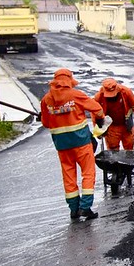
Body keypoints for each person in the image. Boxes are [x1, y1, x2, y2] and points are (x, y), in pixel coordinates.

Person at [40, 68, 106, 221]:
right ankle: (85, 207)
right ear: (69, 81)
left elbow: (45, 123)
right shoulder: (75, 95)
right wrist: (101, 120)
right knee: (88, 173)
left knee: (68, 175)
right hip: (81, 141)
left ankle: (73, 209)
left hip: (62, 145)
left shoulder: (46, 99)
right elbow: (97, 108)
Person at [92, 78, 134, 151]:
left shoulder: (126, 92)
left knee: (130, 148)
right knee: (112, 150)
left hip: (127, 126)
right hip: (111, 127)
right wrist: (98, 131)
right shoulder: (98, 97)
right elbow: (94, 114)